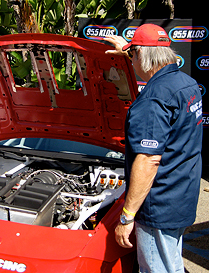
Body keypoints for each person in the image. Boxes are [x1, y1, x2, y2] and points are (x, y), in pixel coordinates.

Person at [104, 24, 202, 273]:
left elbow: (148, 160)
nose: (132, 60)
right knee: (171, 261)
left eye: (134, 54)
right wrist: (129, 51)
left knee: (158, 268)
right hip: (182, 193)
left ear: (142, 57)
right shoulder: (186, 84)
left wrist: (127, 216)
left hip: (159, 203)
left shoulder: (153, 99)